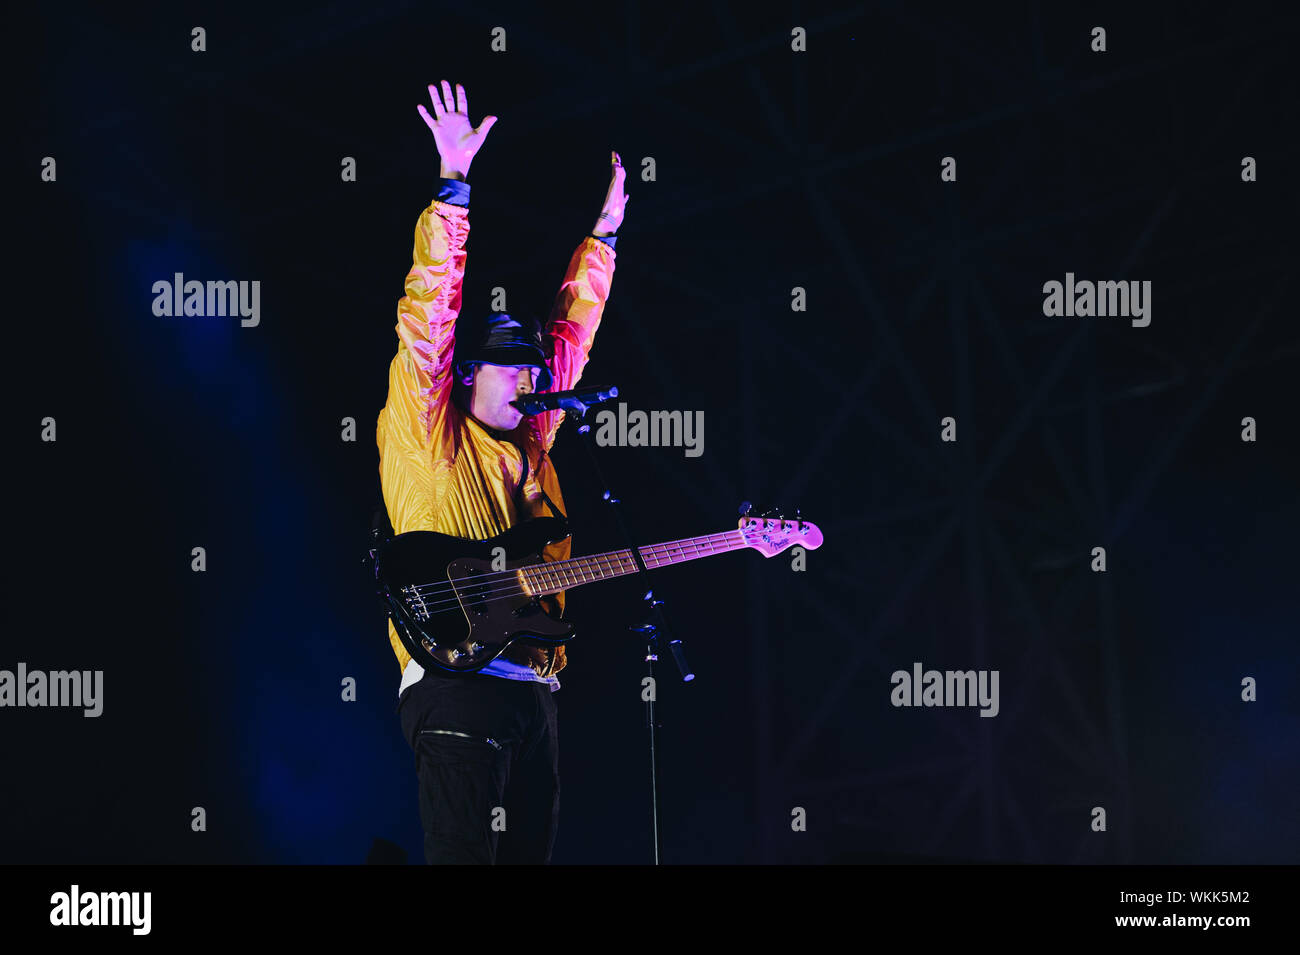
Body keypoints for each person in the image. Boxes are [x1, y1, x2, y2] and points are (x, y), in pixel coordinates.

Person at [376, 80, 627, 864]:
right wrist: (454, 186)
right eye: (508, 368)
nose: (529, 377)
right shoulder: (427, 427)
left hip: (533, 693)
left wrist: (606, 236)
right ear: (466, 375)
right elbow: (428, 321)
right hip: (458, 681)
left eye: (531, 369)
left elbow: (569, 338)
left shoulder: (535, 443)